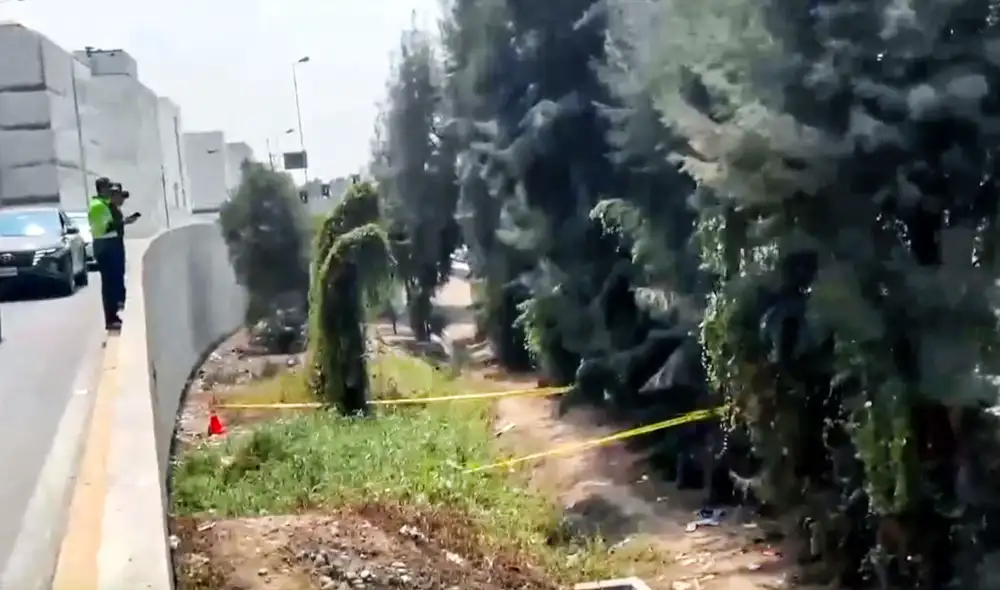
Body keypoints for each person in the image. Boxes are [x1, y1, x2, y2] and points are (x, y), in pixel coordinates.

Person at [87, 177, 122, 330]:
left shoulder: (104, 204)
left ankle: (114, 315)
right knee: (108, 284)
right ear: (101, 189)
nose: (110, 191)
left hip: (110, 243)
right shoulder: (97, 206)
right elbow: (103, 228)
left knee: (113, 282)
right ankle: (110, 318)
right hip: (105, 245)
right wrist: (122, 222)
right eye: (108, 188)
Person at [108, 184, 139, 311]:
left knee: (119, 271)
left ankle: (120, 299)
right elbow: (109, 226)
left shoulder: (115, 209)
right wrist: (125, 222)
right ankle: (117, 300)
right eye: (120, 198)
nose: (122, 201)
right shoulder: (110, 210)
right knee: (115, 273)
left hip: (117, 242)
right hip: (111, 243)